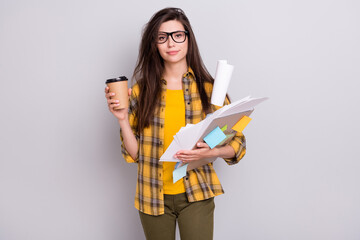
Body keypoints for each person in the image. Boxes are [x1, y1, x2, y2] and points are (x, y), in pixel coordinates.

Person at [105, 7, 246, 240]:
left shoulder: (210, 90)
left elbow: (237, 142)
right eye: (162, 37)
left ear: (188, 38)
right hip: (152, 196)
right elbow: (136, 154)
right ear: (154, 44)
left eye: (178, 35)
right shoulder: (141, 91)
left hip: (197, 192)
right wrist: (122, 120)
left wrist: (212, 151)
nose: (171, 43)